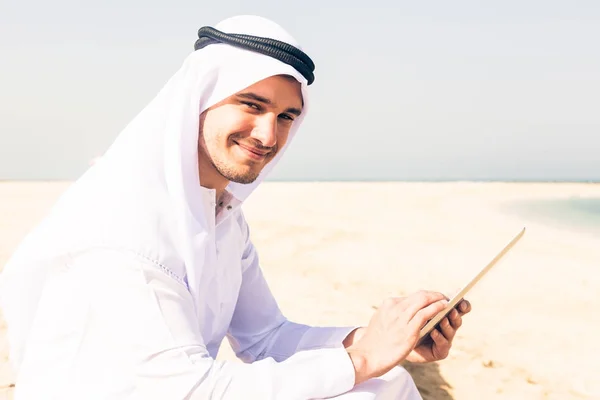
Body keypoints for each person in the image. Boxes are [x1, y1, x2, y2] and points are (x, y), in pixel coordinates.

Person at [0, 15, 471, 399]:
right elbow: (193, 390)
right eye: (251, 105)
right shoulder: (122, 229)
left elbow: (265, 338)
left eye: (286, 117)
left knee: (386, 383)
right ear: (199, 101)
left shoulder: (220, 214)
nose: (268, 135)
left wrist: (386, 338)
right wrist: (361, 359)